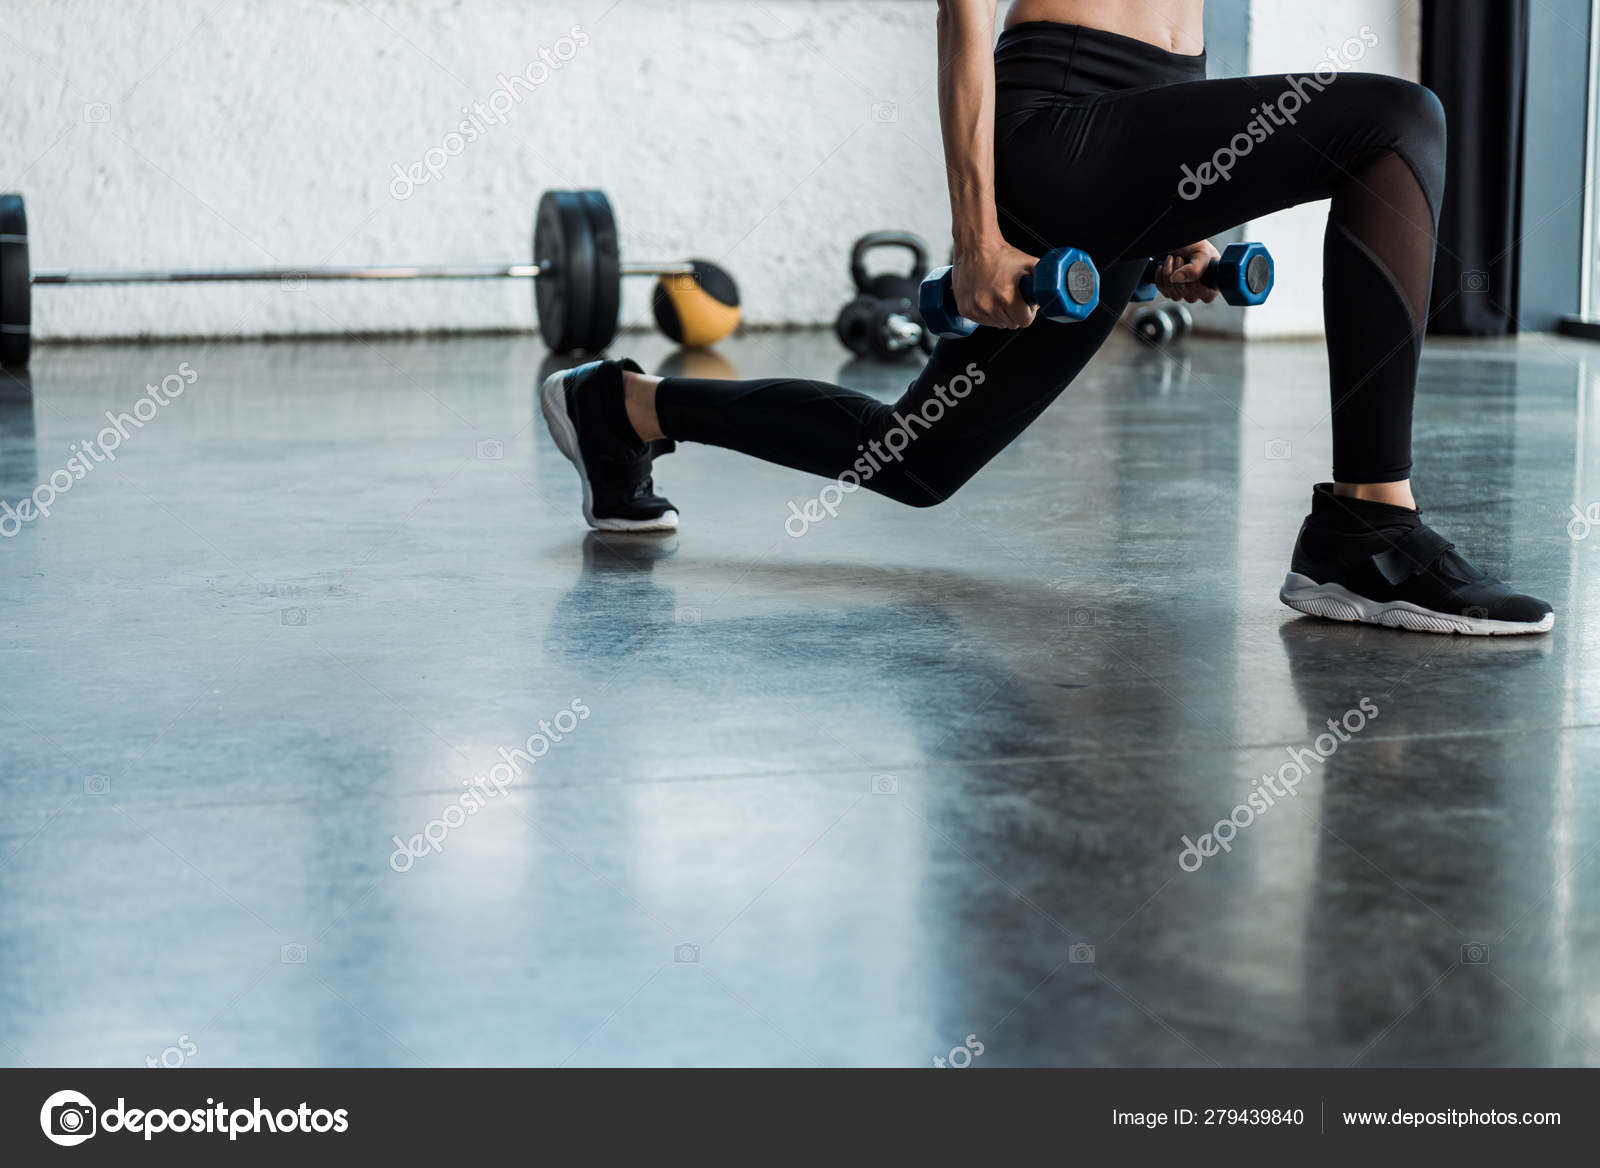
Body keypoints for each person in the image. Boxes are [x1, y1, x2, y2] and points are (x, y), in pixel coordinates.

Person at [541, 0, 1553, 636]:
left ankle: (623, 408)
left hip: (1142, 139)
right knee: (1398, 121)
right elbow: (963, 14)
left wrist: (1189, 214)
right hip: (1061, 125)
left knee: (918, 458)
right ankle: (1366, 526)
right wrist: (978, 236)